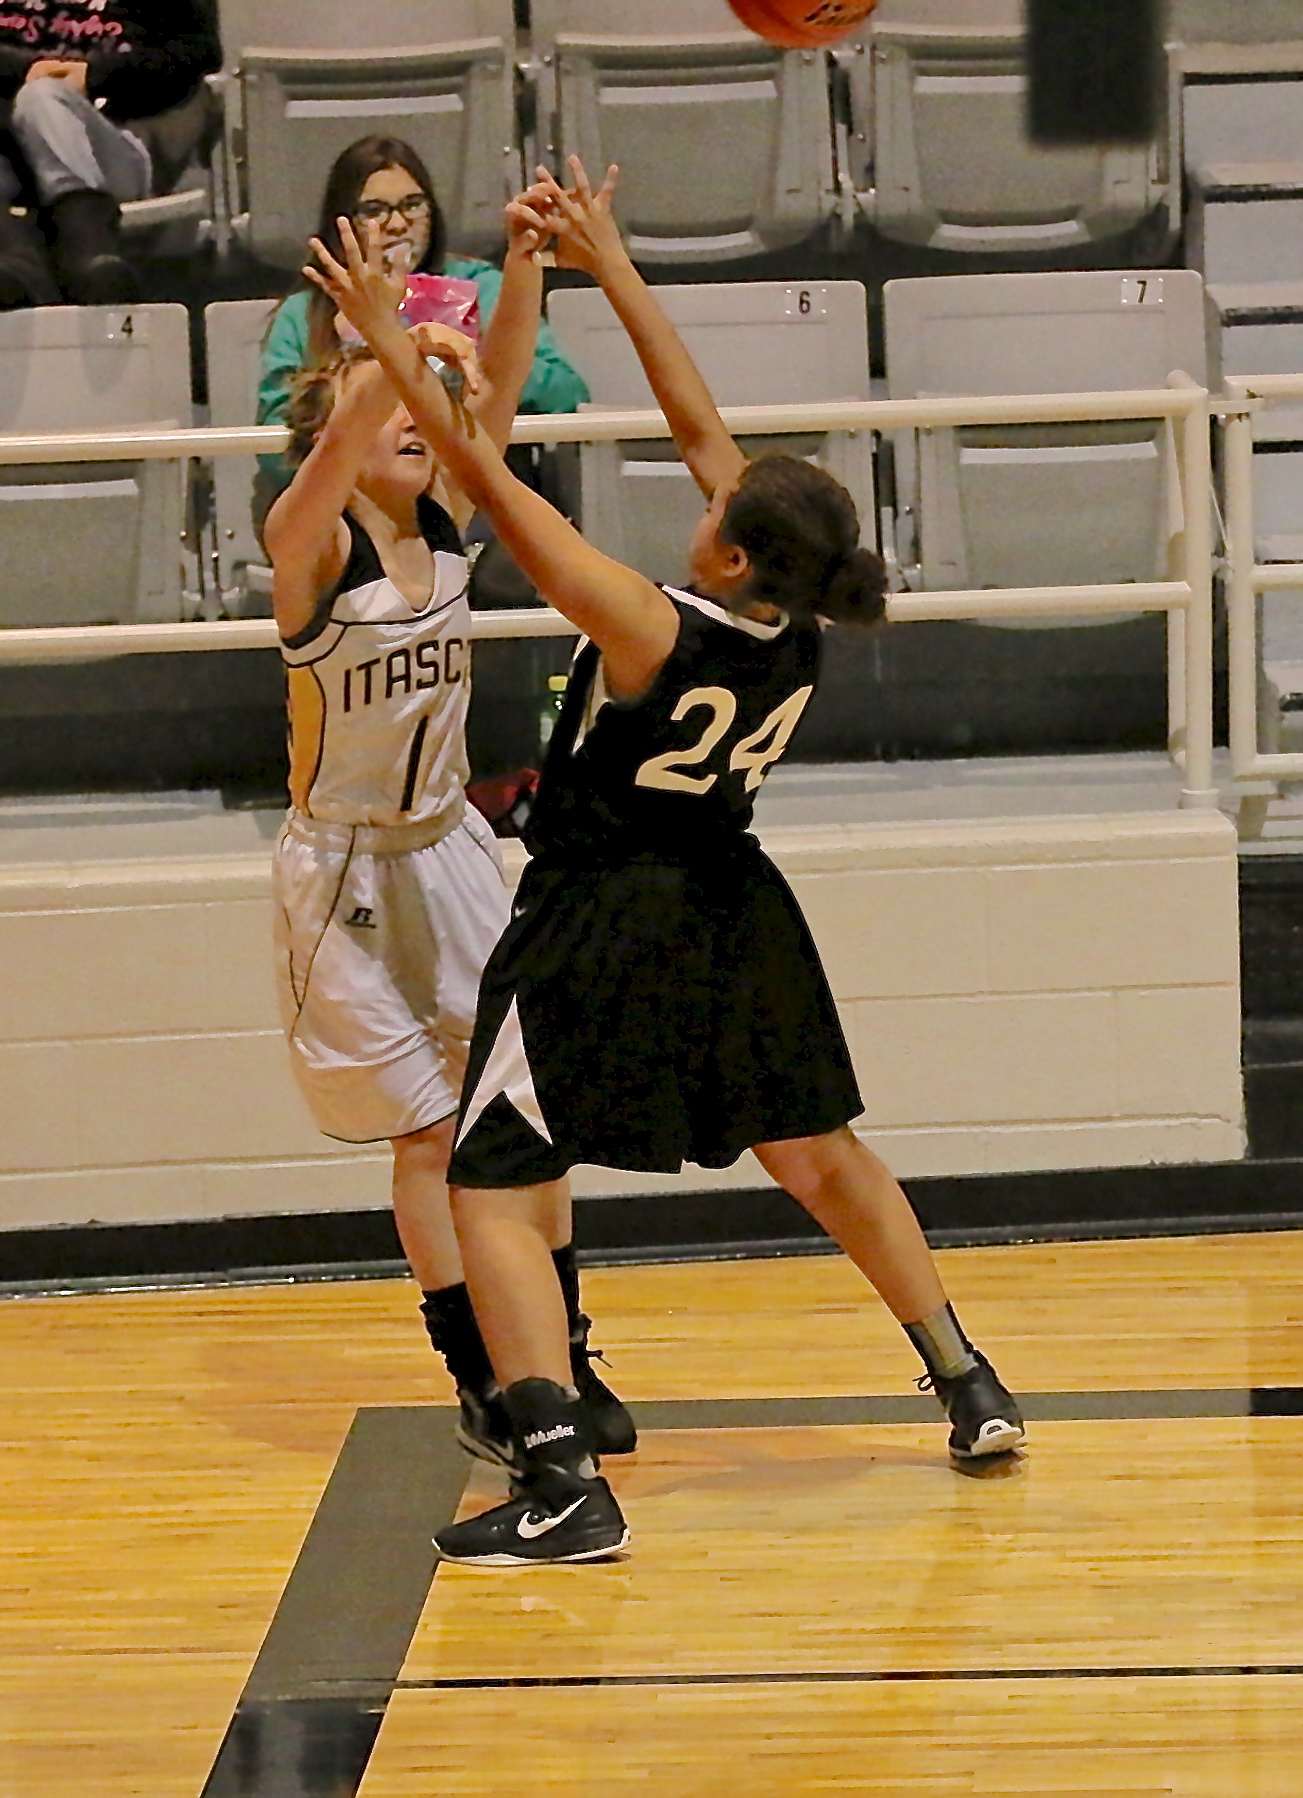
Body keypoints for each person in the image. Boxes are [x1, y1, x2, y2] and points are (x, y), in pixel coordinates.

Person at [307, 160, 1025, 1570]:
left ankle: (561, 1479)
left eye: (722, 502)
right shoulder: (795, 621)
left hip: (600, 908)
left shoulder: (647, 624)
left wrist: (386, 343)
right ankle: (965, 1378)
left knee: (489, 1180)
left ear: (734, 550)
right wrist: (609, 261)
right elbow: (699, 423)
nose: (705, 484)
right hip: (733, 902)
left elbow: (483, 479)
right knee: (819, 1153)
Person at [263, 179, 633, 1471]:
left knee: (518, 1115)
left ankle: (562, 1352)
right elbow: (346, 437)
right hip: (346, 874)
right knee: (425, 1134)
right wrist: (381, 342)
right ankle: (483, 1376)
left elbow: (505, 382)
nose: (423, 422)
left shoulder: (448, 522)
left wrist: (524, 264)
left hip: (451, 849)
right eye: (396, 410)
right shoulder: (312, 546)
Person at [257, 135, 587, 494]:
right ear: (343, 223)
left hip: (476, 490)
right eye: (374, 210)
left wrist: (474, 360)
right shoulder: (305, 313)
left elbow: (566, 393)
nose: (397, 224)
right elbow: (277, 450)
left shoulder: (480, 286)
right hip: (353, 500)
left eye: (413, 205)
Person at [0, 0, 221, 306]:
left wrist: (93, 75)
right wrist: (28, 69)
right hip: (11, 162)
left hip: (115, 150)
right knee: (38, 95)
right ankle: (24, 264)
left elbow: (196, 55)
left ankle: (87, 249)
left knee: (42, 97)